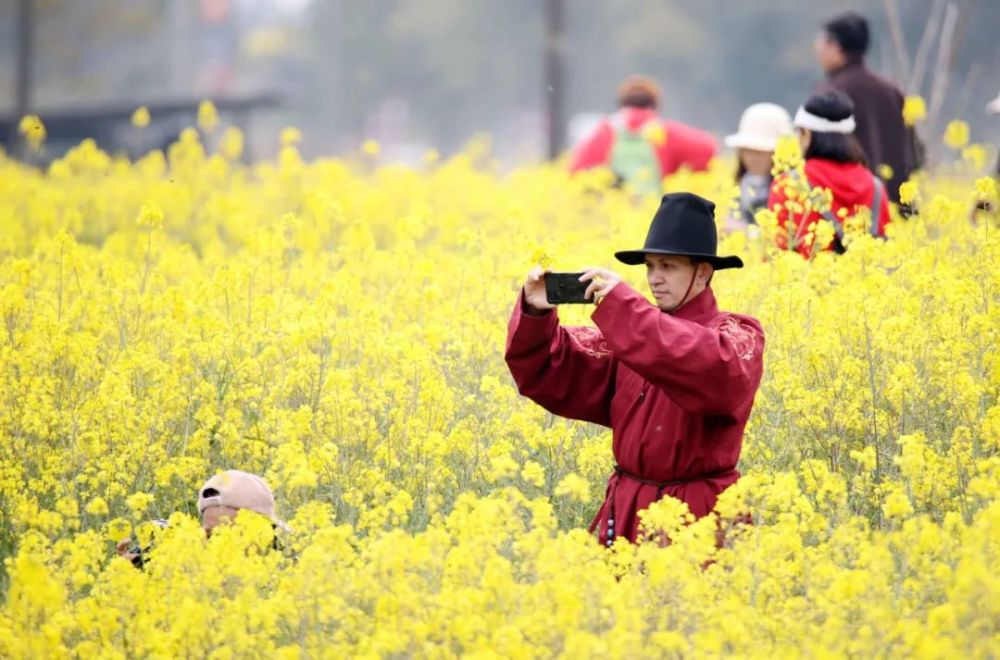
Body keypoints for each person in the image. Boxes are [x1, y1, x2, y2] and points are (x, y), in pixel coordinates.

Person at [505, 193, 765, 545]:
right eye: (650, 266)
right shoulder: (632, 333)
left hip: (700, 518)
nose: (655, 278)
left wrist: (625, 308)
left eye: (668, 266)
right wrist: (537, 312)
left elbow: (709, 365)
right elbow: (552, 368)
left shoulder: (737, 334)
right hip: (628, 511)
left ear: (703, 272)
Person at [814, 11, 922, 203]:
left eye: (822, 42)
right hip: (898, 208)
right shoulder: (892, 91)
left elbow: (817, 160)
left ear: (836, 47)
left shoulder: (829, 95)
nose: (817, 48)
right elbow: (916, 154)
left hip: (852, 208)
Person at [767, 90, 891, 257]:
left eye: (799, 133)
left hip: (803, 282)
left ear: (806, 133)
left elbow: (775, 257)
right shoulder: (875, 187)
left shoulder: (789, 185)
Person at [569, 75, 717, 195]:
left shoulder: (607, 131)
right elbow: (708, 149)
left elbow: (576, 171)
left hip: (616, 220)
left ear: (621, 103)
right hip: (655, 217)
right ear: (655, 103)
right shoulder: (662, 131)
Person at [117, 470, 286, 566]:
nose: (217, 544)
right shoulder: (191, 566)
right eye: (210, 534)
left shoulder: (288, 573)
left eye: (229, 533)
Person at [724, 103, 794, 230]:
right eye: (746, 150)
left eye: (759, 151)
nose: (751, 158)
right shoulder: (743, 184)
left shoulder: (792, 190)